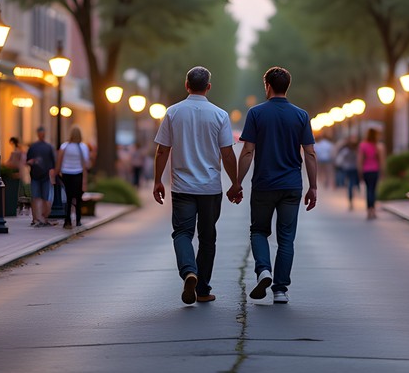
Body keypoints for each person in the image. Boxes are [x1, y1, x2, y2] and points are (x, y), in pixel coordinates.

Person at [153, 66, 240, 305]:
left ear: (186, 85)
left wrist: (157, 180)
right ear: (208, 87)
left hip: (182, 187)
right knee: (207, 237)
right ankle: (202, 289)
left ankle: (188, 271)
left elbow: (162, 150)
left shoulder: (172, 112)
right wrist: (235, 183)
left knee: (182, 232)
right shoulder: (220, 115)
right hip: (210, 188)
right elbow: (228, 154)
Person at [236, 66, 317, 305]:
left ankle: (264, 270)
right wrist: (313, 187)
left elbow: (248, 150)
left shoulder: (256, 113)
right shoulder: (301, 115)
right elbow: (310, 154)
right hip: (292, 185)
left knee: (259, 231)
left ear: (267, 86)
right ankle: (280, 290)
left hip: (264, 184)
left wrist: (237, 183)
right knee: (286, 238)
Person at [57, 125, 91, 229]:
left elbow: (59, 160)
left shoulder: (64, 146)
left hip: (66, 173)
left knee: (68, 197)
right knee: (78, 198)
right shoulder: (83, 147)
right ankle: (78, 219)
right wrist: (85, 181)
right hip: (78, 173)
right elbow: (85, 165)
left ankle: (67, 220)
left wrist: (57, 172)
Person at [26, 126, 56, 227]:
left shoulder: (47, 147)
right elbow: (28, 160)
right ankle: (36, 219)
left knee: (43, 198)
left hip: (44, 176)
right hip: (36, 175)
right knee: (36, 197)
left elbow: (53, 163)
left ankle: (42, 218)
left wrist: (52, 174)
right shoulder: (34, 147)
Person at [357, 127, 386, 220]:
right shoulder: (379, 146)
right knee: (373, 190)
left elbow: (360, 159)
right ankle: (373, 209)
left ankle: (369, 210)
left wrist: (360, 171)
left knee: (368, 190)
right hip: (375, 170)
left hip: (366, 170)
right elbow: (381, 161)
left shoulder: (363, 145)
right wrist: (383, 172)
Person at [334, 136, 359, 210]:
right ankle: (355, 190)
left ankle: (350, 198)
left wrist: (339, 165)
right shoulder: (356, 151)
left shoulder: (345, 151)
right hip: (354, 168)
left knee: (350, 184)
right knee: (352, 183)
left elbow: (340, 160)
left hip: (347, 168)